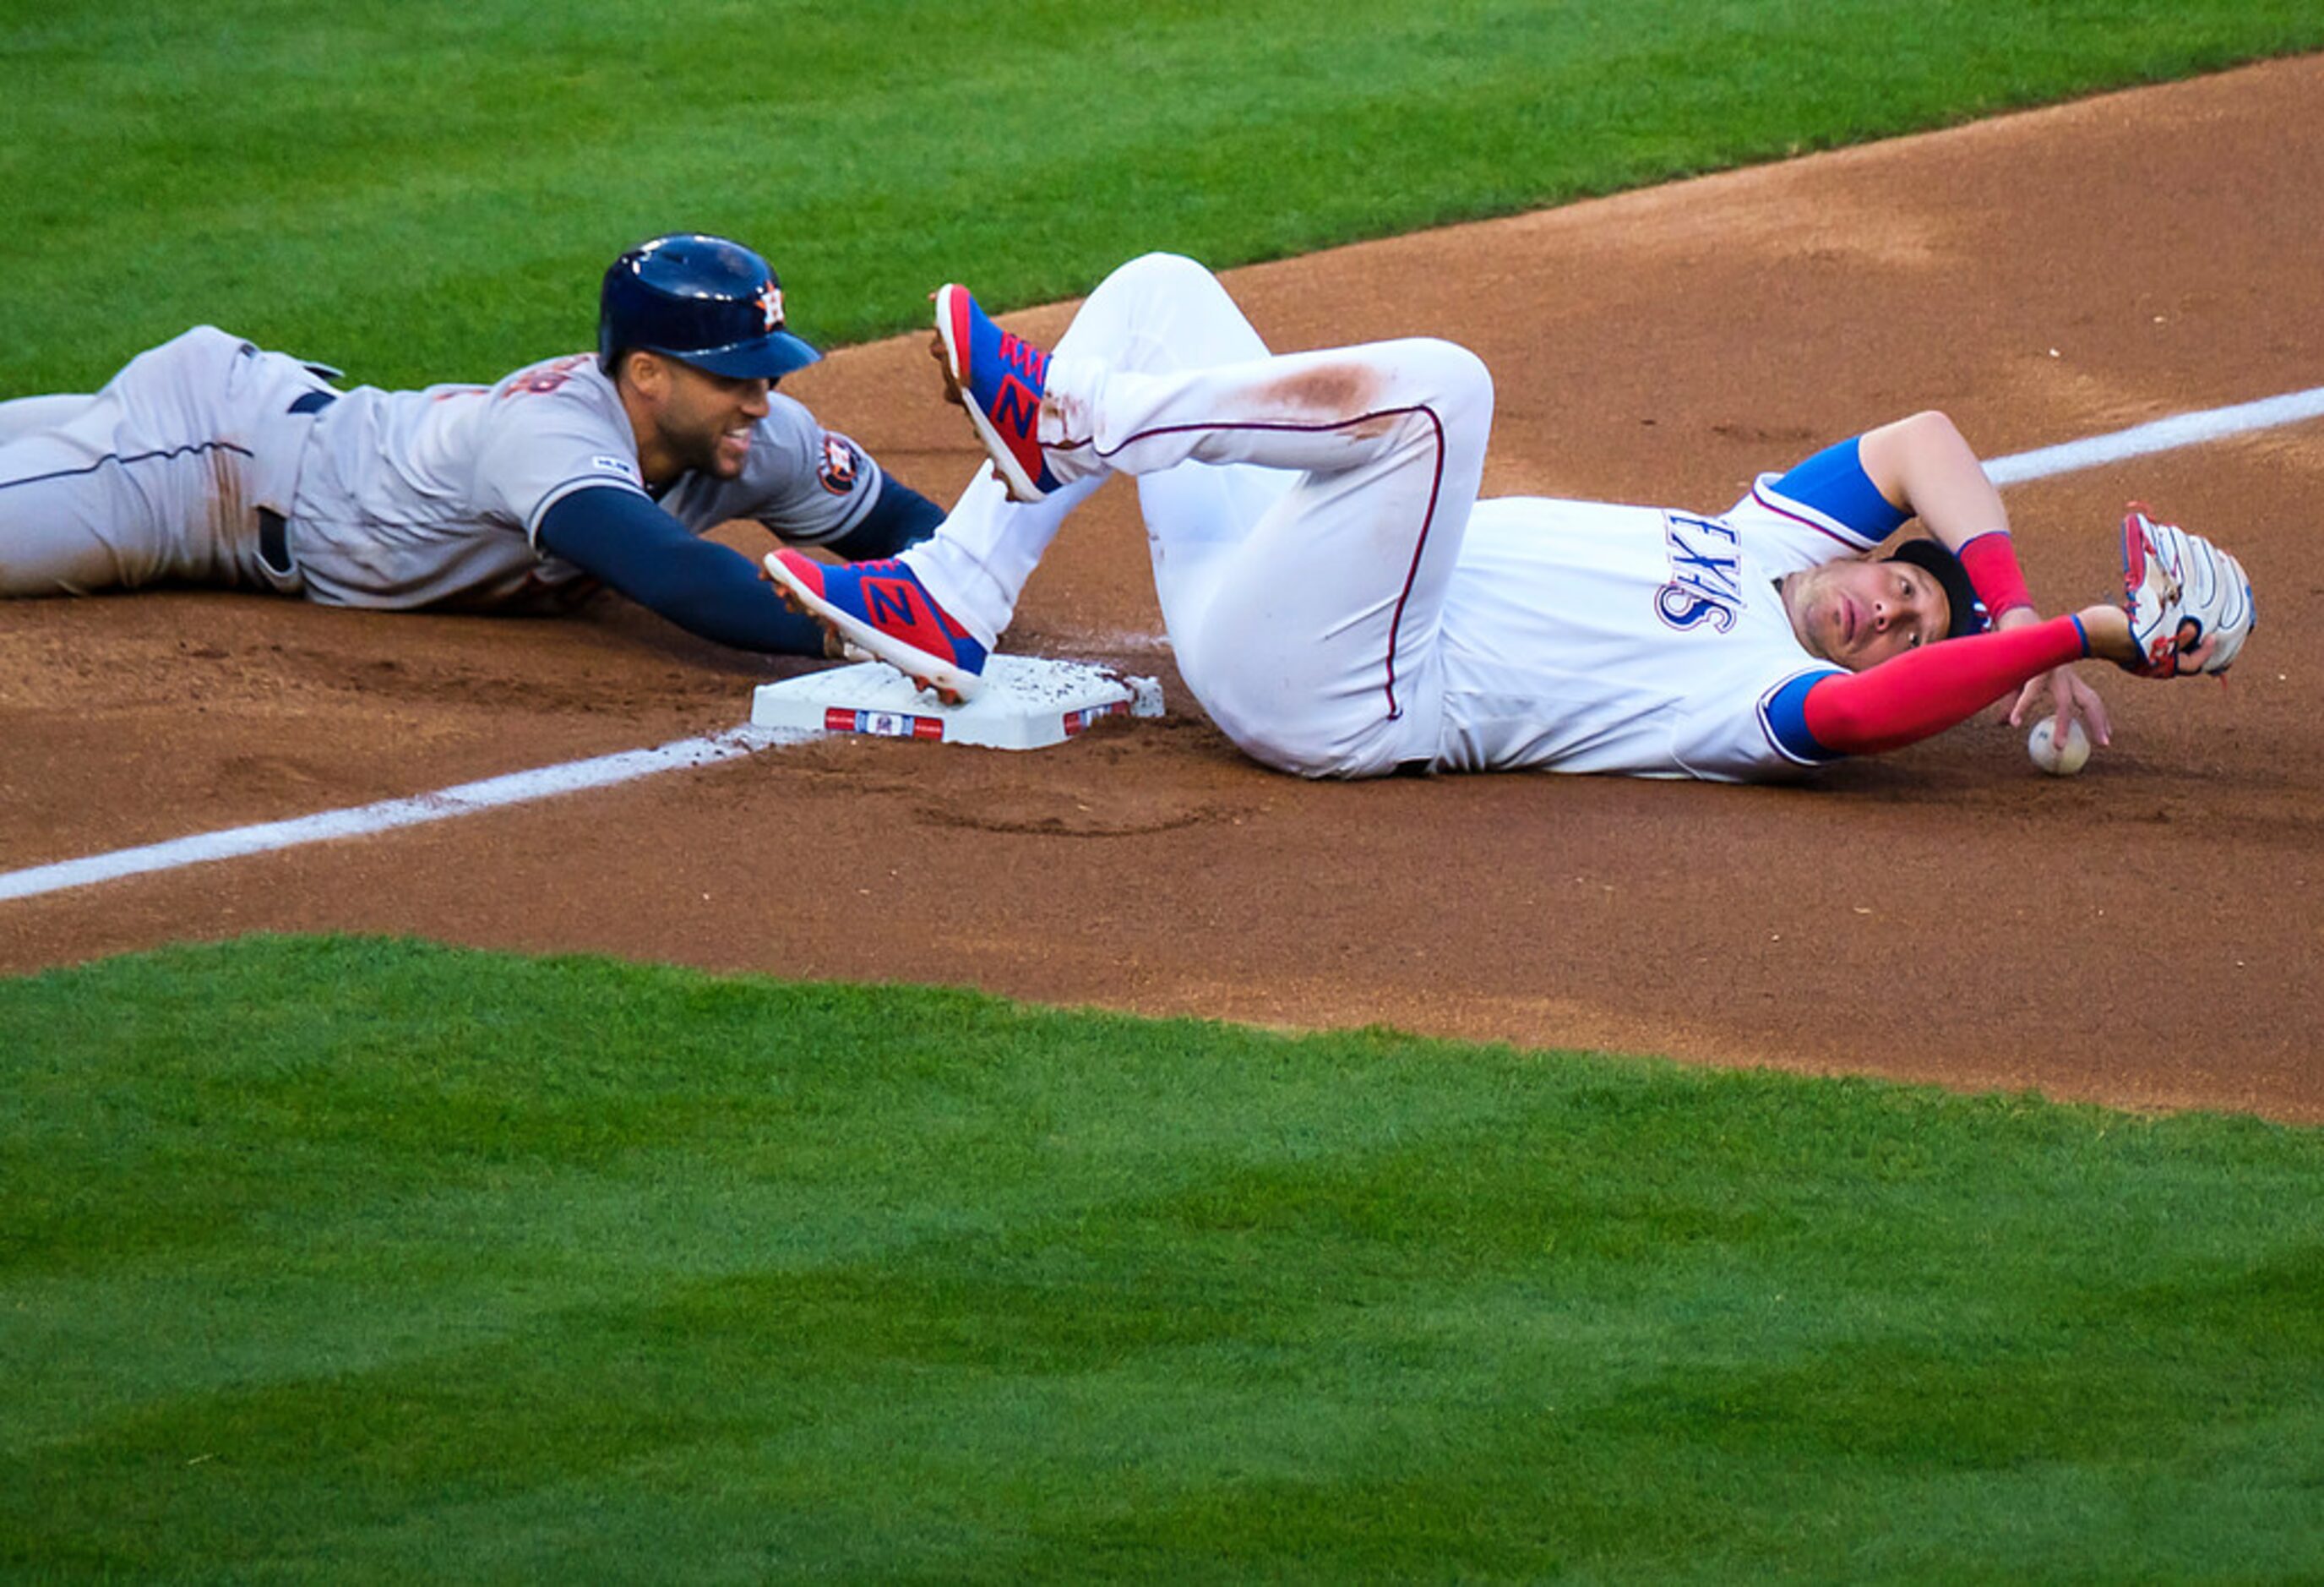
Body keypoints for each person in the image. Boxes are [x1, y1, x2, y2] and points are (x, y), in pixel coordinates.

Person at [765, 252, 2254, 782]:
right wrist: (1994, 604)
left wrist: (2085, 635)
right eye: (1900, 593)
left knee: (1441, 397)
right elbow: (1927, 439)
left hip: (1345, 691)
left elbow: (1873, 724)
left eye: (1903, 637)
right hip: (1273, 596)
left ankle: (1077, 423)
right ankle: (956, 592)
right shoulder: (1769, 544)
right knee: (1158, 292)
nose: (1886, 616)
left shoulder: (1759, 700)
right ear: (1857, 557)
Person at [0, 234, 945, 657]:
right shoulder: (552, 434)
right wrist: (874, 633)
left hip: (273, 435)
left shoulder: (756, 436)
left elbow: (903, 524)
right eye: (733, 376)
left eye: (767, 372)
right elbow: (681, 579)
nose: (760, 400)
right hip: (200, 468)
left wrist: (950, 585)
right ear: (648, 374)